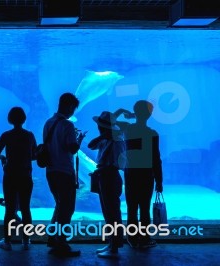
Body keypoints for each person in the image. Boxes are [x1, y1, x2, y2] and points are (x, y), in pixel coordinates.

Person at [114, 100, 163, 249]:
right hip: (147, 175)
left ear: (135, 112)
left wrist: (125, 111)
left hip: (131, 174)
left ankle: (132, 239)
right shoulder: (152, 133)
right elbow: (156, 158)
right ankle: (144, 239)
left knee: (131, 208)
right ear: (149, 114)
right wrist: (159, 181)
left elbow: (108, 120)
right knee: (144, 209)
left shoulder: (128, 129)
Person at [43, 92, 86, 257]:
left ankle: (53, 239)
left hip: (51, 171)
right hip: (64, 171)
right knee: (67, 208)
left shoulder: (48, 123)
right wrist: (79, 138)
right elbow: (72, 149)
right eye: (73, 108)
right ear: (68, 106)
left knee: (60, 206)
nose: (73, 112)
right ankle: (61, 243)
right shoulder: (67, 125)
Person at [0, 107, 37, 251]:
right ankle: (26, 240)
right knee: (26, 209)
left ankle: (7, 241)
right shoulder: (30, 136)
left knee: (10, 210)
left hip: (10, 175)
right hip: (25, 175)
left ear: (10, 119)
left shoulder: (6, 135)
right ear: (24, 119)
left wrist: (4, 158)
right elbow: (35, 156)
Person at [88, 111, 126, 259]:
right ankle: (111, 243)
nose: (98, 128)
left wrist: (107, 135)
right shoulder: (106, 139)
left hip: (110, 176)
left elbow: (118, 163)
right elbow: (91, 145)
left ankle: (115, 247)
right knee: (108, 213)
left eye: (100, 126)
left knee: (113, 213)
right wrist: (104, 136)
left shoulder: (117, 140)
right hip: (104, 177)